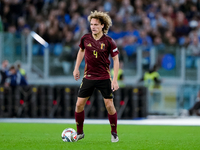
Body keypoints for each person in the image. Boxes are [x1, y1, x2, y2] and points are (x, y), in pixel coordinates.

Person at [73, 10, 120, 142]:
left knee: (109, 106)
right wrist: (76, 68)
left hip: (104, 77)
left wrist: (114, 80)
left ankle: (114, 132)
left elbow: (116, 60)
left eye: (96, 24)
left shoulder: (109, 41)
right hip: (88, 77)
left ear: (102, 26)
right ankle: (80, 133)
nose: (93, 27)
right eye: (91, 24)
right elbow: (81, 51)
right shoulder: (85, 38)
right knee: (78, 105)